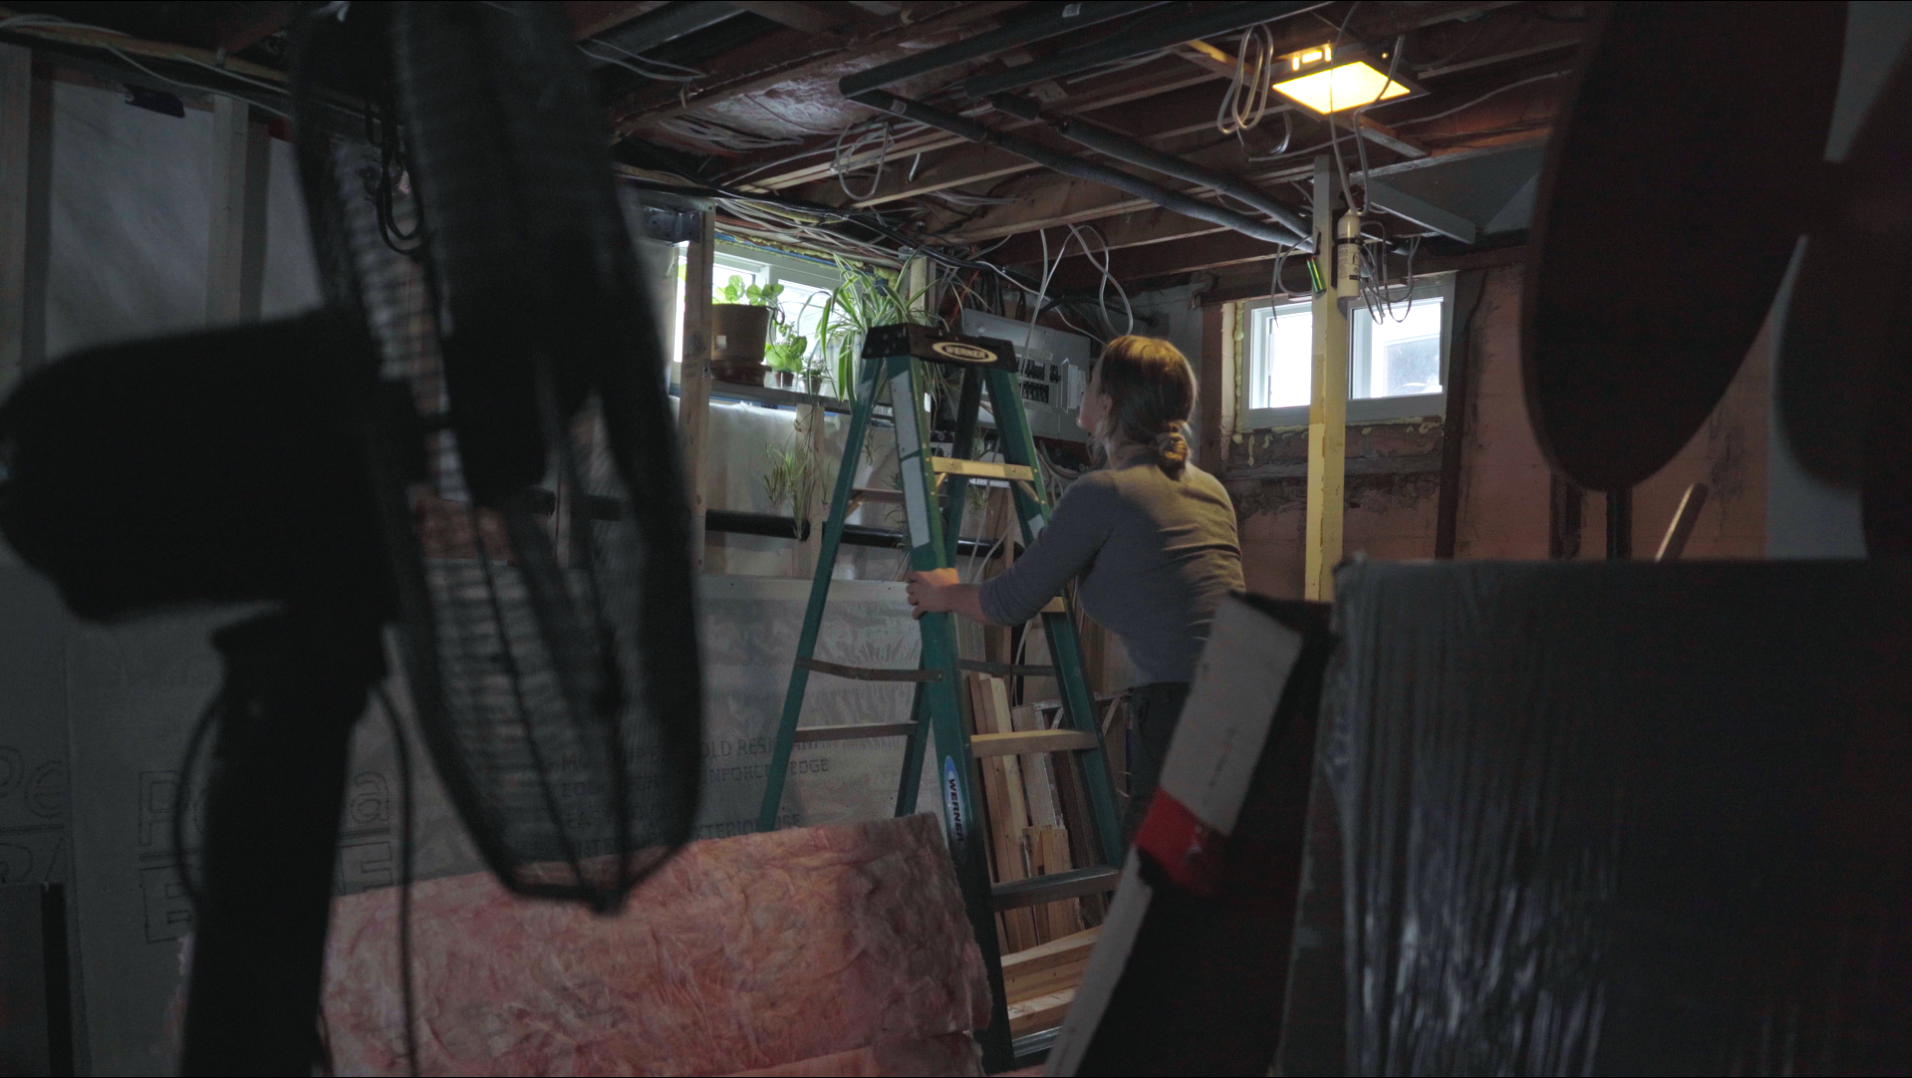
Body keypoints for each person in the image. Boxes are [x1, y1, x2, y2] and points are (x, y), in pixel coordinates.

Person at [905, 334, 1244, 832]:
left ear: (1107, 404)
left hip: (1182, 707)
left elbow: (1010, 602)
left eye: (1090, 380)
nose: (1082, 389)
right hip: (1248, 697)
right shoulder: (1209, 489)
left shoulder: (1106, 492)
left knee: (1156, 874)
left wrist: (944, 591)